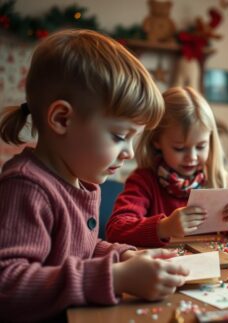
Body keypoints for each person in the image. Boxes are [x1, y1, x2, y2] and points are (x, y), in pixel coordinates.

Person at [0, 30, 190, 322]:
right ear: (62, 119)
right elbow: (8, 285)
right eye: (118, 136)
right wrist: (114, 278)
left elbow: (79, 250)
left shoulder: (80, 181)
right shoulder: (27, 186)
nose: (128, 152)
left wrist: (124, 256)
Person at [106, 86, 228, 247]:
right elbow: (116, 229)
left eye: (200, 147)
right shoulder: (143, 180)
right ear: (157, 141)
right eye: (179, 148)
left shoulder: (216, 177)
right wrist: (164, 227)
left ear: (210, 142)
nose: (191, 157)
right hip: (163, 268)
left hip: (212, 267)